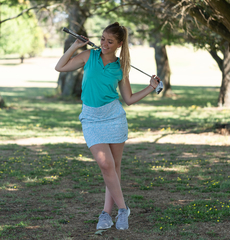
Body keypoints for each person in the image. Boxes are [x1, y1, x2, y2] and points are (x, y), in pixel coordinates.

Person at [55, 22, 160, 230]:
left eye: (110, 41)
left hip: (114, 118)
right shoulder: (89, 56)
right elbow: (60, 67)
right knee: (105, 164)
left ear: (119, 44)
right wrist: (75, 46)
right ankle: (123, 209)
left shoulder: (121, 67)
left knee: (113, 168)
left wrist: (150, 88)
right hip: (91, 118)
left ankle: (105, 214)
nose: (104, 43)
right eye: (102, 38)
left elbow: (128, 99)